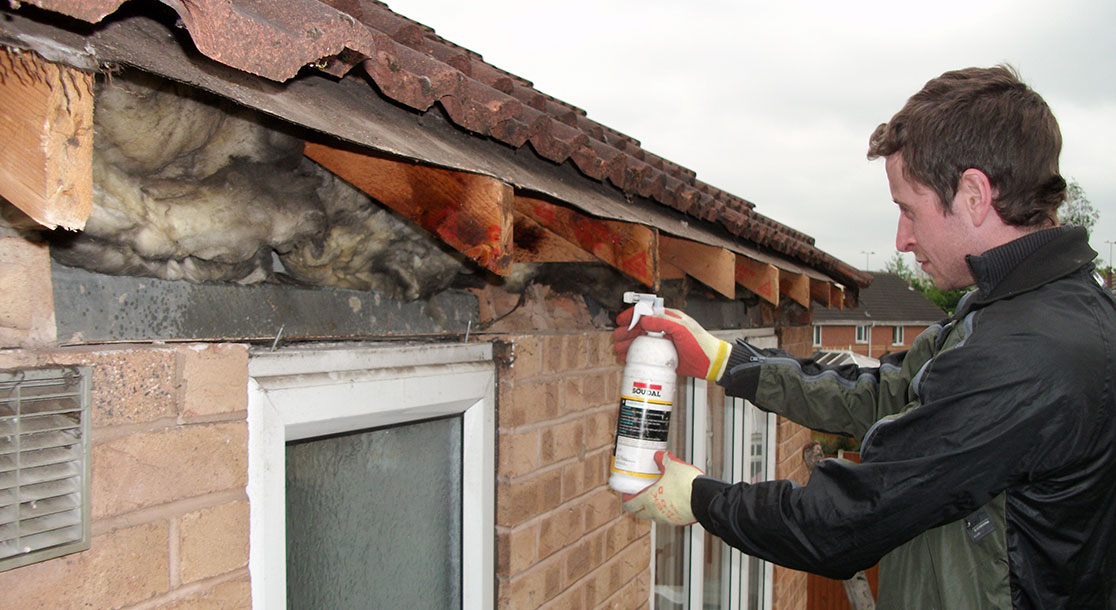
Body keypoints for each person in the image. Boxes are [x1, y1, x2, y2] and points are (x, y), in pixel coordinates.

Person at [612, 65, 1116, 609]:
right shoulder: (1007, 311)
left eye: (907, 209)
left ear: (974, 193)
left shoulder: (1028, 352)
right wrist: (727, 362)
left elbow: (844, 521)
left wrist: (701, 498)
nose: (901, 239)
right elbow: (886, 392)